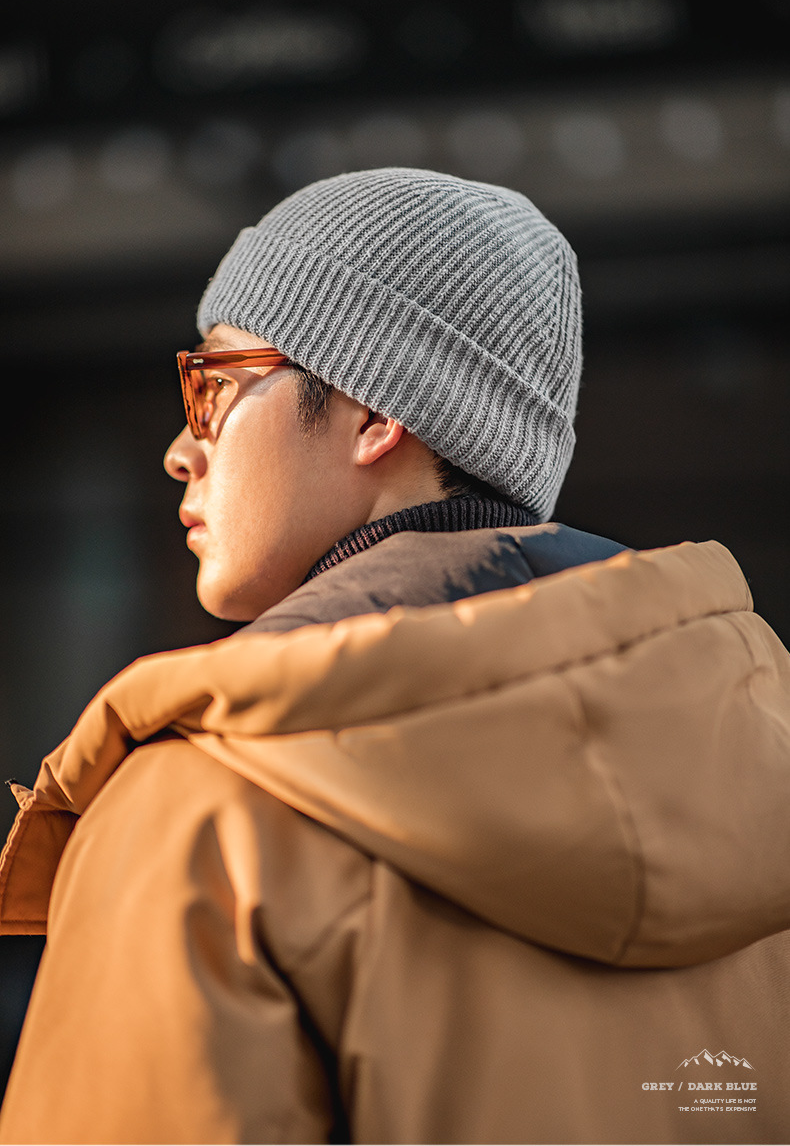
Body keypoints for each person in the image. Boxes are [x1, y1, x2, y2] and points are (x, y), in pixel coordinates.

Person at [0, 168, 788, 1146]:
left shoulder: (206, 811)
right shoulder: (752, 786)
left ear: (374, 412)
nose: (180, 447)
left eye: (213, 386)